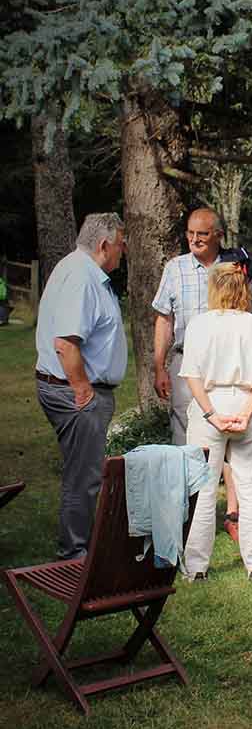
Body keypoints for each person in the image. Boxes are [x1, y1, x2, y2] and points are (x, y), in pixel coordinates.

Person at [152, 208, 252, 541]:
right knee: (191, 452)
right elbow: (164, 320)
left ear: (218, 235)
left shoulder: (235, 264)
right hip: (189, 367)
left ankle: (234, 516)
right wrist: (159, 365)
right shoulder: (176, 268)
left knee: (236, 453)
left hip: (234, 369)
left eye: (202, 234)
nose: (194, 239)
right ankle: (186, 524)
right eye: (190, 233)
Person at [35, 212, 127, 560]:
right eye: (121, 244)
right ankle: (74, 553)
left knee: (84, 473)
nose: (123, 250)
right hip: (73, 390)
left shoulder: (79, 269)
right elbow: (66, 343)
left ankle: (81, 543)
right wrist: (83, 391)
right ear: (104, 245)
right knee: (84, 476)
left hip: (71, 387)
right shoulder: (82, 278)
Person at [178, 260, 252, 581]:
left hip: (211, 406)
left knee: (202, 489)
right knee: (250, 487)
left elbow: (191, 374)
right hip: (246, 403)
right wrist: (247, 412)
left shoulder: (200, 325)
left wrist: (210, 414)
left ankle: (196, 566)